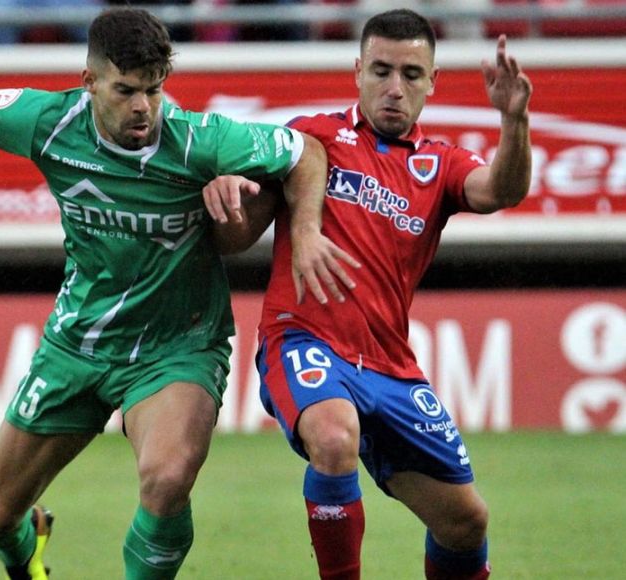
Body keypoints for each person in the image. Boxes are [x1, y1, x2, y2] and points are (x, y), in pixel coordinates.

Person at [0, 7, 336, 579]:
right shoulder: (47, 122)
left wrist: (303, 230)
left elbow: (306, 153)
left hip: (177, 345)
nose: (144, 107)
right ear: (89, 84)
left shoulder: (199, 141)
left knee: (166, 480)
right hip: (77, 342)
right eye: (127, 90)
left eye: (155, 90)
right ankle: (27, 555)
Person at [207, 8, 532, 579]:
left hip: (390, 368)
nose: (394, 87)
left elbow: (500, 191)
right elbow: (235, 235)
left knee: (465, 522)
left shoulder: (442, 164)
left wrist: (514, 123)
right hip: (303, 340)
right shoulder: (310, 138)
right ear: (356, 70)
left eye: (411, 74)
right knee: (333, 438)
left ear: (433, 83)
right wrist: (227, 189)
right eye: (380, 70)